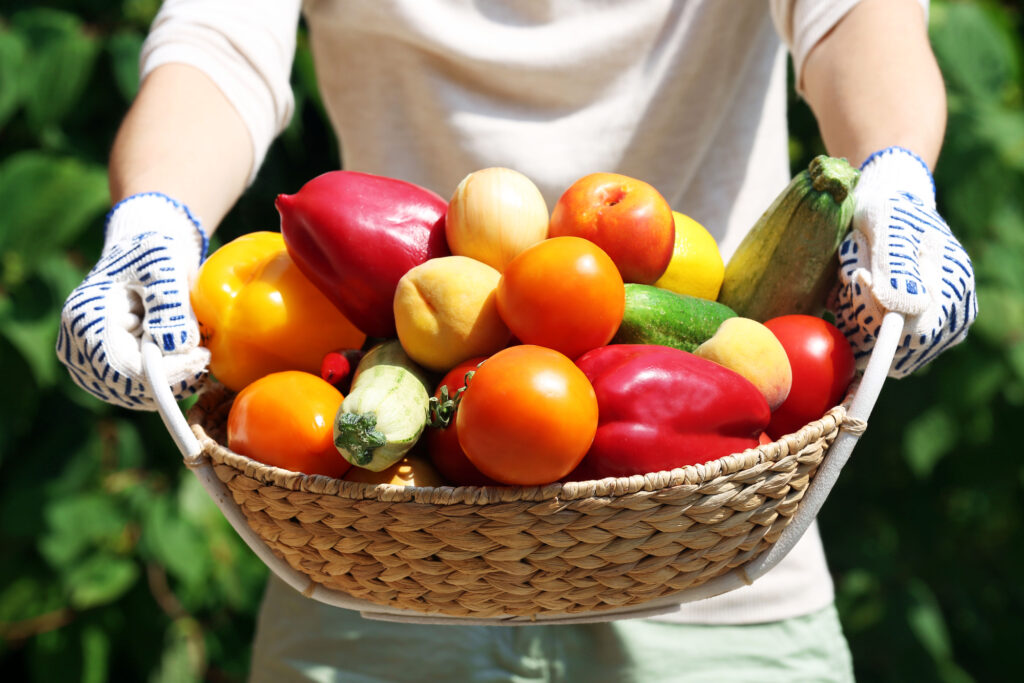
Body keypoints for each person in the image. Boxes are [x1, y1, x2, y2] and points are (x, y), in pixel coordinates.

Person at [56, 0, 976, 680]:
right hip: (378, 553)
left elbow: (858, 16)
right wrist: (156, 217)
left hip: (721, 565)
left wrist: (893, 172)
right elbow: (219, 43)